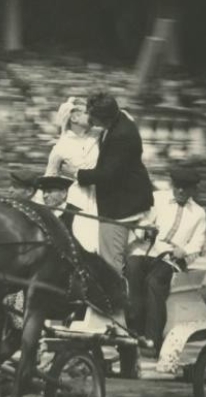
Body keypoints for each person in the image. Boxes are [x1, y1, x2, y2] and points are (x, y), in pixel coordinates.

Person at [61, 92, 154, 273]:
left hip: (122, 206)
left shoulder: (122, 135)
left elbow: (107, 175)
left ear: (105, 119)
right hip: (131, 195)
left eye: (92, 116)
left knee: (110, 261)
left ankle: (116, 297)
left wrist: (76, 173)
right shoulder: (121, 118)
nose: (89, 118)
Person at [124, 166, 206, 358]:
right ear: (172, 185)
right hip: (147, 251)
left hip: (172, 259)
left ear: (193, 190)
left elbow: (198, 243)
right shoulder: (158, 199)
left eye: (186, 188)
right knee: (132, 269)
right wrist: (145, 230)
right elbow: (140, 221)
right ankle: (134, 332)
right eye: (178, 186)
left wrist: (184, 250)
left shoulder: (199, 213)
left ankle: (152, 340)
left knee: (155, 281)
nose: (180, 191)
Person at [45, 97, 100, 253]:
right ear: (74, 117)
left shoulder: (100, 137)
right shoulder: (61, 147)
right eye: (88, 112)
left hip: (104, 199)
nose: (93, 115)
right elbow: (49, 179)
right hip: (77, 201)